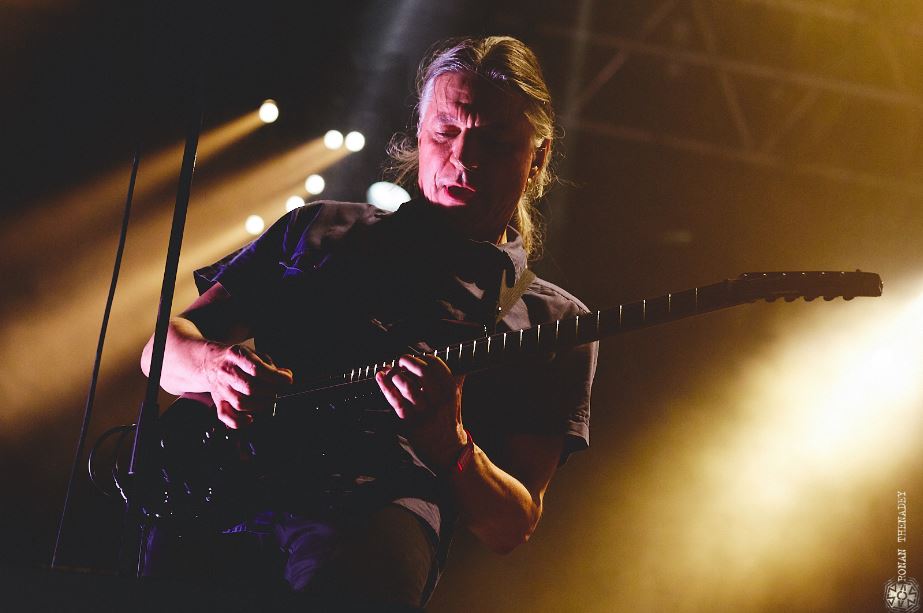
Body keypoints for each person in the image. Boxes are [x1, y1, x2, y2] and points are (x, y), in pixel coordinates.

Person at [140, 35, 597, 610]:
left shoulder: (556, 322)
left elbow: (511, 525)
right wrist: (214, 368)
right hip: (224, 501)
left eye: (495, 142)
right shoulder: (320, 229)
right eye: (445, 132)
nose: (464, 158)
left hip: (369, 524)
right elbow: (160, 351)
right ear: (420, 132)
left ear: (539, 157)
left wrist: (450, 444)